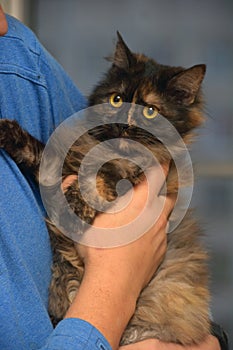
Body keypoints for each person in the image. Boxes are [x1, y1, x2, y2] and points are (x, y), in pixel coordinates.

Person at [0, 7, 226, 350]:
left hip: (152, 319)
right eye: (117, 100)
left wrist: (214, 341)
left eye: (149, 111)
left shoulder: (21, 61)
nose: (126, 119)